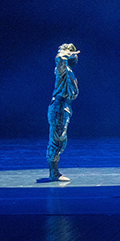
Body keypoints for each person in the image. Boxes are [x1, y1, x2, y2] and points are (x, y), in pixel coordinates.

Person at [46, 43, 80, 182]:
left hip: (63, 107)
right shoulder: (63, 69)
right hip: (59, 107)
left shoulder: (68, 71)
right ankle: (54, 173)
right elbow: (59, 59)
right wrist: (65, 53)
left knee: (61, 141)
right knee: (57, 141)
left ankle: (54, 172)